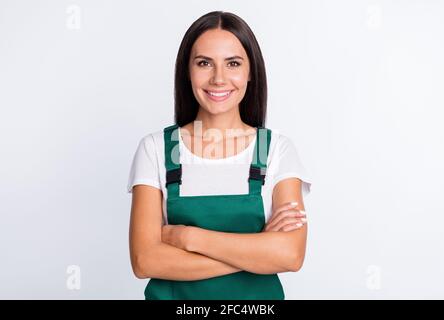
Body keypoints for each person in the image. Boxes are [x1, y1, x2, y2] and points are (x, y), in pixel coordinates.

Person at [127, 11, 312, 300]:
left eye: (233, 64)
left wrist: (188, 238)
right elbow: (145, 261)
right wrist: (258, 249)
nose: (218, 78)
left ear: (250, 72)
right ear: (187, 71)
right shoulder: (156, 149)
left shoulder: (276, 149)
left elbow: (290, 255)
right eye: (204, 63)